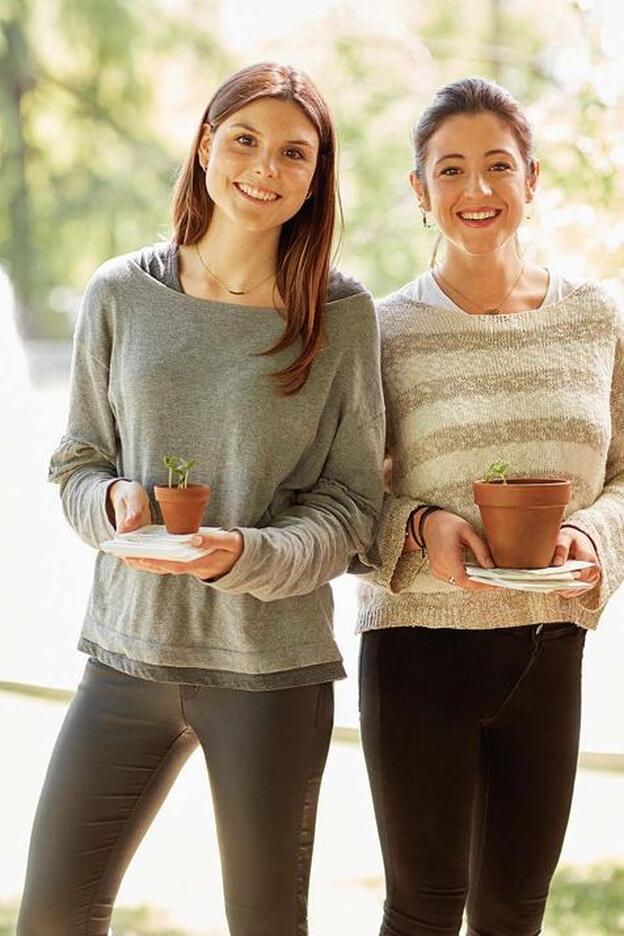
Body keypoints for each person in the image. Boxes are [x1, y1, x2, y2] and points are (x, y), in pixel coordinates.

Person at [18, 62, 385, 936]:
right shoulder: (120, 293)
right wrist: (108, 506)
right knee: (51, 920)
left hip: (271, 672)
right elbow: (76, 458)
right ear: (207, 144)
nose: (266, 167)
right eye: (246, 139)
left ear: (316, 176)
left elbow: (352, 507)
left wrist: (249, 555)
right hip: (124, 659)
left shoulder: (342, 316)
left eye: (294, 152)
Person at [357, 76, 624, 936]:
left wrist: (592, 532)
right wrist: (420, 525)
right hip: (416, 652)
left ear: (532, 181)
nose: (477, 191)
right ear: (420, 191)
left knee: (515, 913)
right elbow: (337, 489)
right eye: (451, 170)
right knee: (425, 911)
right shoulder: (380, 329)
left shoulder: (596, 318)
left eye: (498, 166)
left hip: (549, 654)